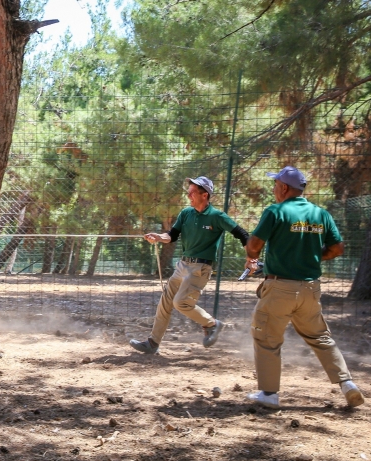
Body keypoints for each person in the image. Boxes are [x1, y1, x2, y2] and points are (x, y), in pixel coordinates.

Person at [244, 166, 364, 408]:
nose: (273, 189)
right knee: (320, 336)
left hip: (280, 288)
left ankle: (269, 394)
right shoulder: (321, 214)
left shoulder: (275, 211)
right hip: (310, 290)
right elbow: (338, 249)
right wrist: (313, 256)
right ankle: (347, 384)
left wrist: (252, 254)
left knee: (266, 336)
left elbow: (254, 245)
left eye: (275, 184)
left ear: (284, 187)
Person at [130, 176, 250, 355]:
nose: (189, 196)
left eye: (192, 193)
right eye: (189, 193)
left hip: (200, 269)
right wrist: (158, 237)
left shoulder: (217, 216)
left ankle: (212, 324)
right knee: (165, 302)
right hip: (182, 265)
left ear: (205, 195)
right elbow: (172, 235)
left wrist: (251, 257)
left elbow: (242, 234)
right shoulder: (186, 213)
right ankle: (152, 343)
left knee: (181, 302)